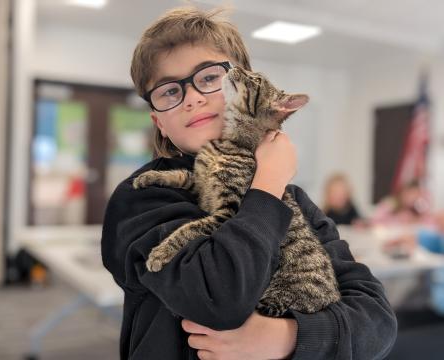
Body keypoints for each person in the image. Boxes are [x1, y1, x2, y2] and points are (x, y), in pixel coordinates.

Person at [101, 6, 397, 360]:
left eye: (209, 77)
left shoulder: (293, 199)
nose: (192, 97)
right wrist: (268, 185)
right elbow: (217, 299)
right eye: (168, 92)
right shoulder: (144, 197)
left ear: (241, 82)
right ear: (159, 122)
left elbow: (379, 322)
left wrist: (287, 337)